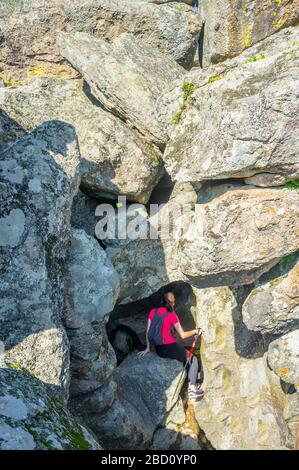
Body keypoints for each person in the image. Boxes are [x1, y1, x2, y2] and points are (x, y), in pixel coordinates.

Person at [137, 291, 204, 401]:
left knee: (185, 357)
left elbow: (148, 332)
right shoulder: (172, 315)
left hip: (159, 349)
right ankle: (192, 388)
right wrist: (196, 331)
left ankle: (187, 383)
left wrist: (148, 348)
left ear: (162, 302)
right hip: (170, 348)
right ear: (173, 303)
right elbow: (183, 335)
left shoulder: (153, 311)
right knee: (193, 359)